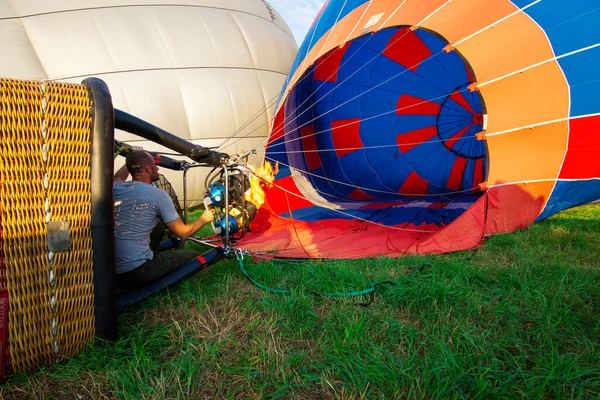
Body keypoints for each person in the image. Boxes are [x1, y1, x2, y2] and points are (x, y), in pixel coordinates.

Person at [113, 150, 214, 289]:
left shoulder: (116, 187)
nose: (157, 168)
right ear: (148, 168)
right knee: (193, 256)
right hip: (137, 270)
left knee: (159, 227)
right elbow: (183, 233)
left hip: (112, 272)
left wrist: (131, 158)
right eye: (155, 164)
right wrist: (203, 219)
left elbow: (117, 176)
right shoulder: (158, 195)